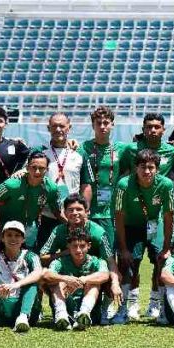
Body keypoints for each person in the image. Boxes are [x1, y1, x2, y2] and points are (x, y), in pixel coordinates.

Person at [114, 148, 174, 322]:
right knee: (128, 263)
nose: (147, 171)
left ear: (157, 168)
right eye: (143, 167)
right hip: (131, 226)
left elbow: (169, 216)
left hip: (154, 226)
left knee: (161, 262)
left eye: (151, 167)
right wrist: (124, 248)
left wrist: (166, 247)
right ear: (136, 168)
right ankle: (128, 306)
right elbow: (118, 216)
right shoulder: (123, 185)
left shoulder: (166, 185)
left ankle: (157, 305)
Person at [39, 197, 120, 320]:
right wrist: (65, 253)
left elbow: (110, 261)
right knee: (44, 274)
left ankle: (105, 308)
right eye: (70, 210)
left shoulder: (98, 232)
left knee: (112, 275)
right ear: (65, 213)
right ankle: (53, 309)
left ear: (87, 212)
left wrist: (115, 283)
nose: (75, 213)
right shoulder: (59, 231)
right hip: (67, 274)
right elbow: (42, 257)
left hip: (92, 275)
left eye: (79, 209)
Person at [0, 151, 67, 252]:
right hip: (5, 228)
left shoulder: (51, 188)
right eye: (34, 167)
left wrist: (72, 224)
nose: (37, 171)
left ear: (47, 169)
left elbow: (57, 211)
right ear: (27, 167)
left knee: (27, 260)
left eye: (42, 168)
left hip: (29, 229)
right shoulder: (11, 185)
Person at [0, 221, 45, 332]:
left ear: (23, 239)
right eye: (9, 235)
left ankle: (23, 317)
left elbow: (38, 273)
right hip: (1, 306)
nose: (13, 239)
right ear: (2, 238)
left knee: (31, 281)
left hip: (25, 308)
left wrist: (17, 285)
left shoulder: (31, 256)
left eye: (17, 235)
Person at [78, 105, 127, 255]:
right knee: (89, 253)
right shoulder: (83, 148)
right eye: (98, 123)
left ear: (112, 124)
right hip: (90, 211)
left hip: (112, 211)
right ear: (93, 125)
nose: (102, 127)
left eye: (106, 123)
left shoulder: (122, 149)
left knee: (110, 253)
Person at [43, 231, 111, 331]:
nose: (78, 250)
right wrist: (66, 278)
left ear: (89, 246)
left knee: (93, 283)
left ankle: (84, 314)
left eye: (82, 246)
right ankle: (61, 315)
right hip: (66, 305)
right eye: (74, 246)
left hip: (90, 310)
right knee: (57, 281)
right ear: (68, 246)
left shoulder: (96, 261)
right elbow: (46, 275)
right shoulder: (60, 261)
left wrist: (84, 280)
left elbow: (105, 275)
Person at [38, 113, 87, 229]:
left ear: (69, 127)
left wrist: (85, 210)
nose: (58, 129)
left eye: (62, 126)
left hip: (73, 216)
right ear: (48, 128)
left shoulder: (80, 153)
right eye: (54, 126)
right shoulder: (41, 152)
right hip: (47, 216)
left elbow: (86, 184)